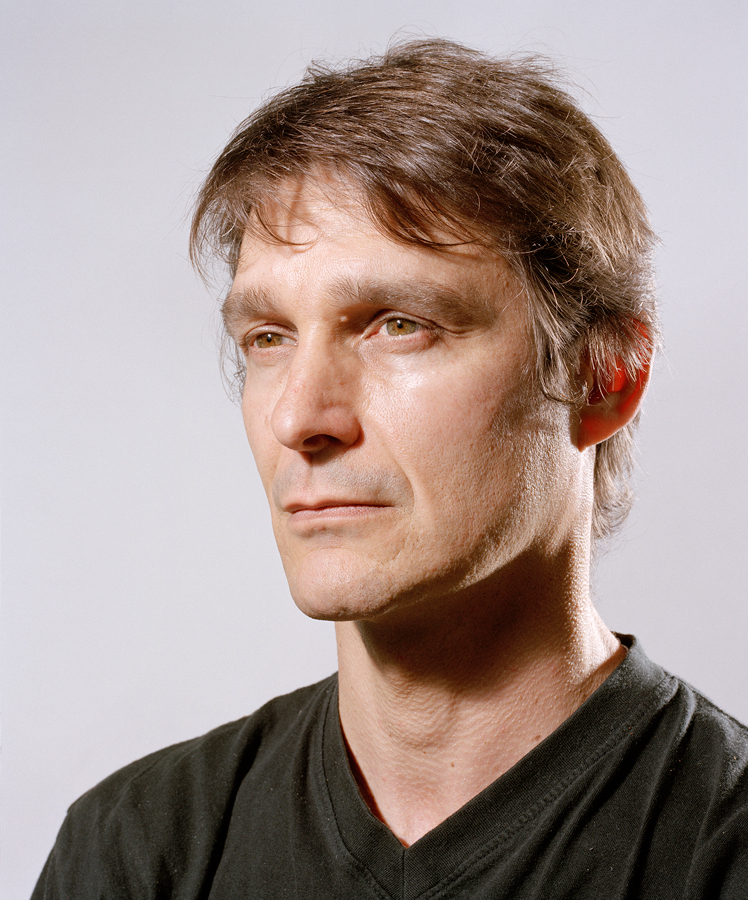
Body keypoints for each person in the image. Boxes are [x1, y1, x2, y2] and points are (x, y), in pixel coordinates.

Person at [32, 38, 748, 899]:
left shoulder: (718, 849)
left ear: (606, 378)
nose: (300, 419)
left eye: (398, 324)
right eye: (268, 337)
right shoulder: (137, 850)